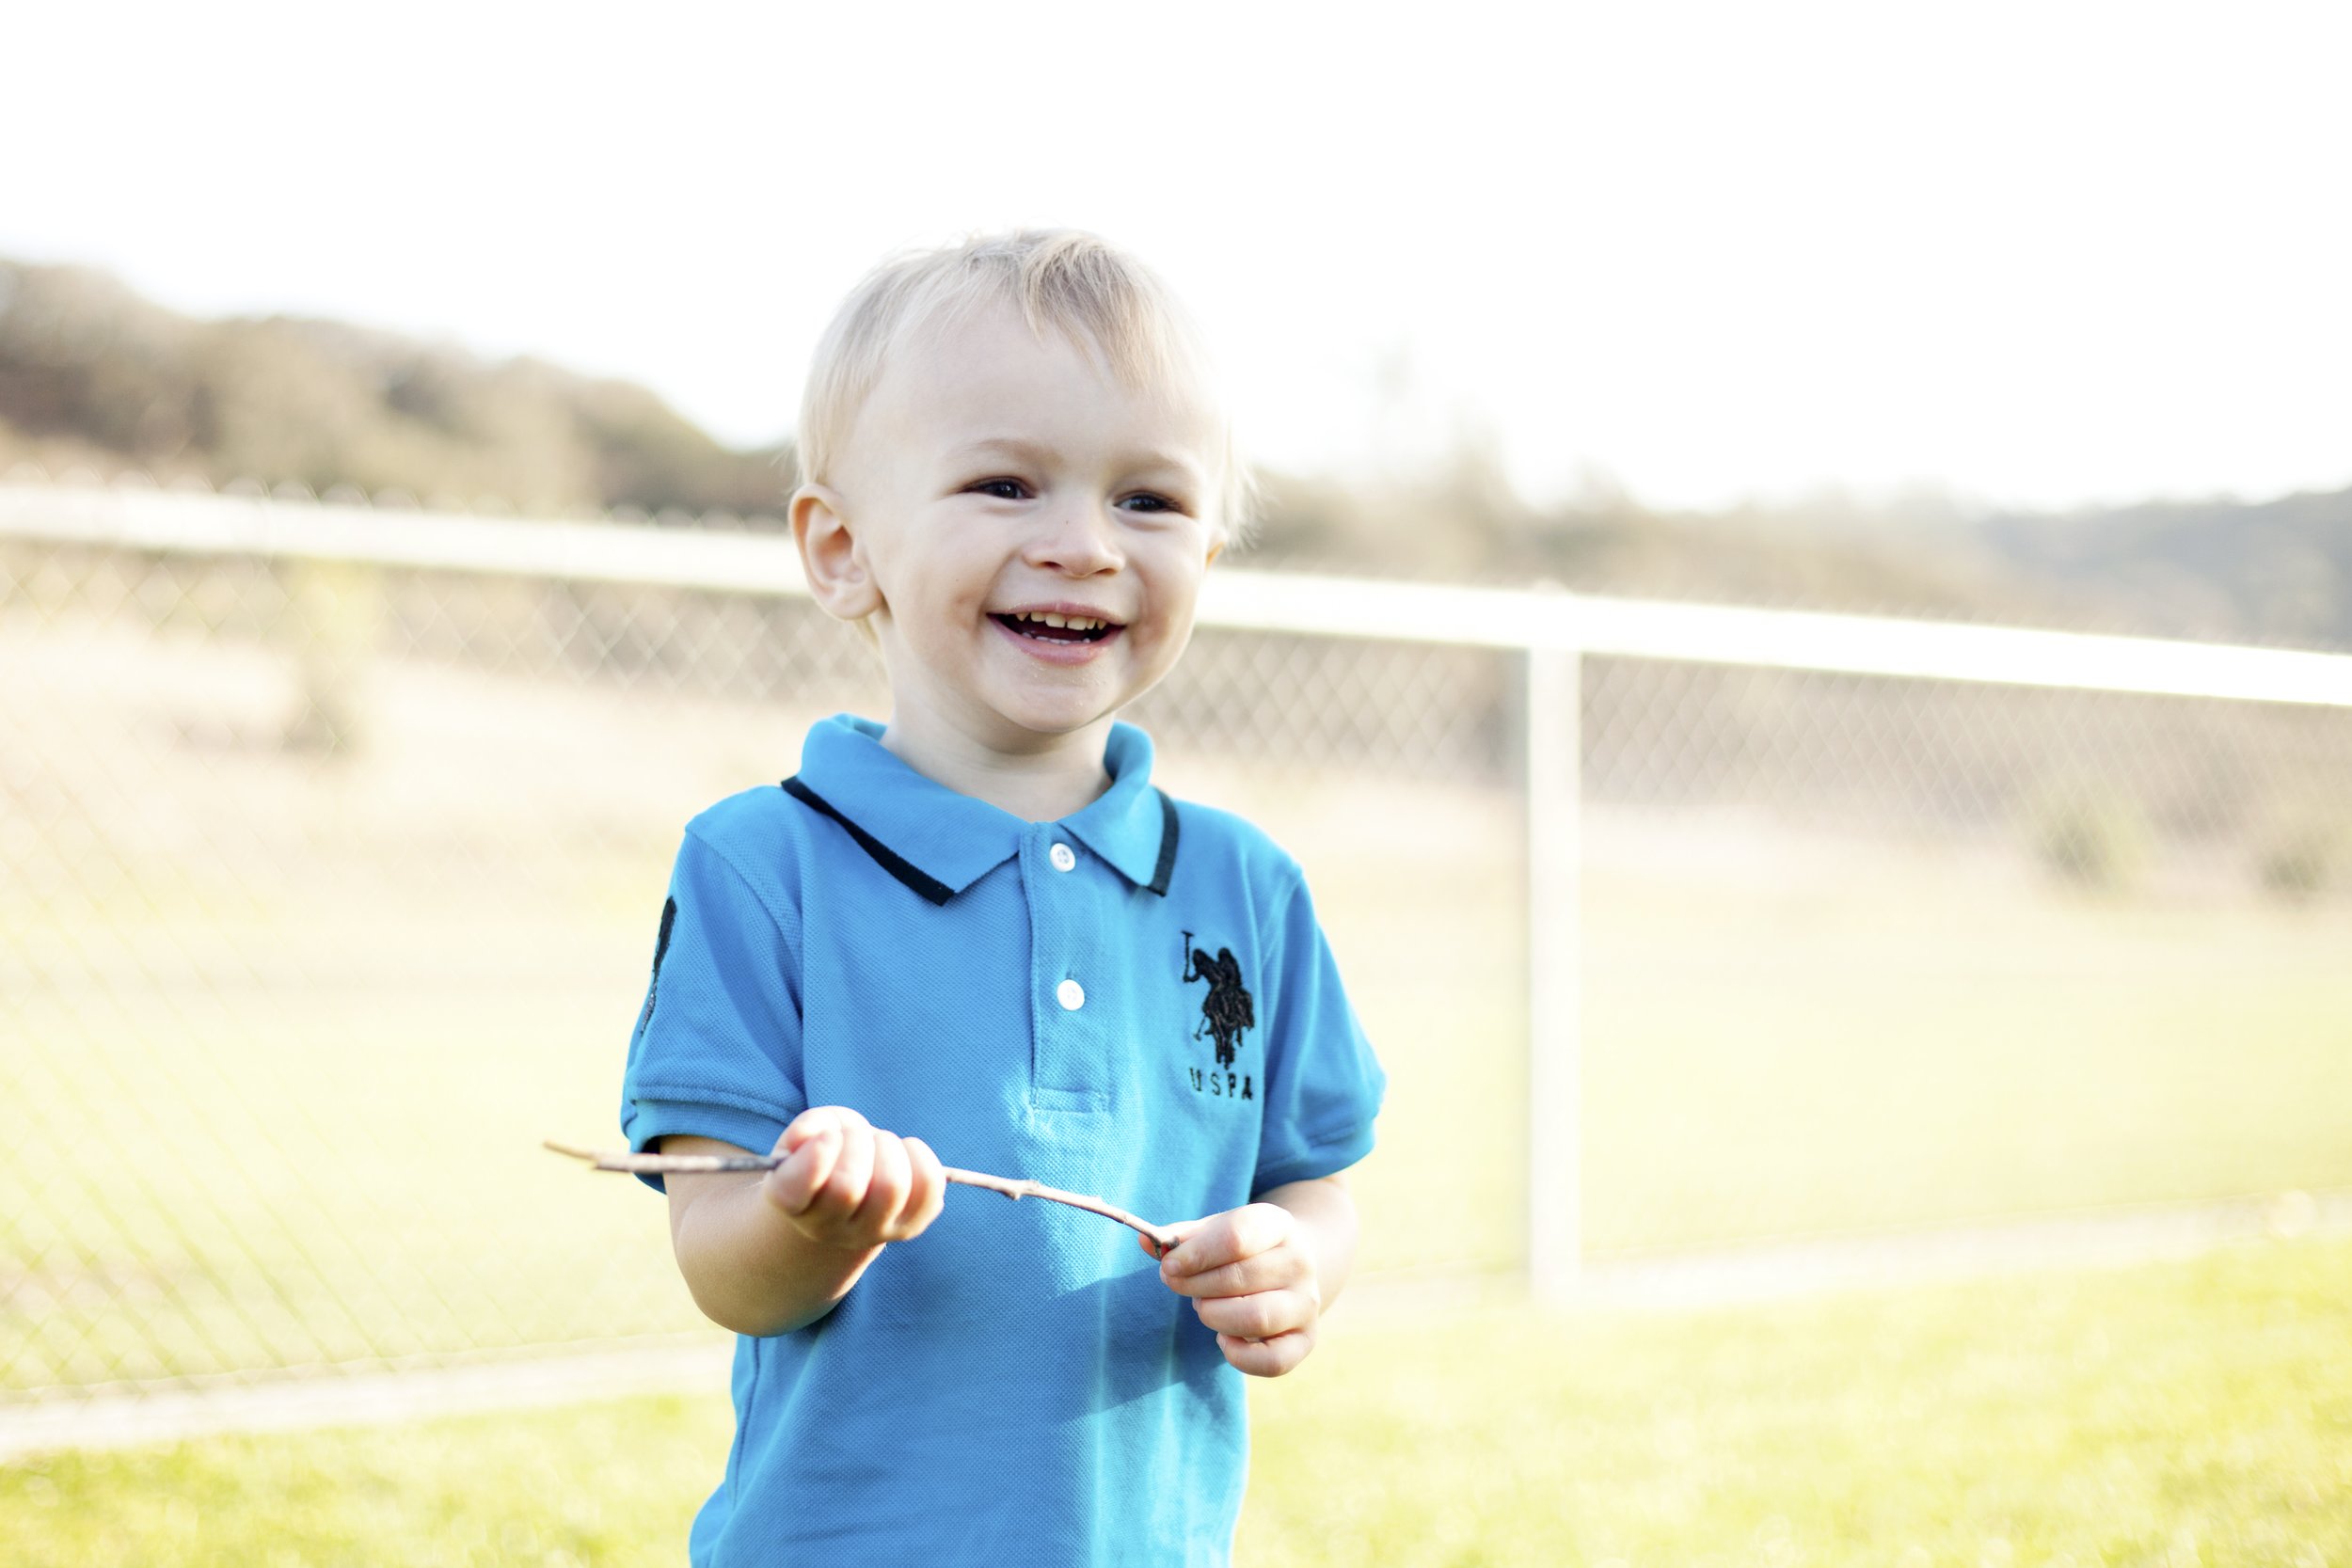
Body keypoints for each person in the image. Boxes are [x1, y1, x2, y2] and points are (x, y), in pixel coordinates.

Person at [618, 229, 1386, 1565]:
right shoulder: (762, 867)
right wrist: (810, 1223)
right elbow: (719, 1262)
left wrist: (1294, 1264)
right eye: (1005, 484)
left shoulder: (1248, 890)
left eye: (1148, 500)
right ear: (843, 548)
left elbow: (1315, 1186)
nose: (1084, 545)